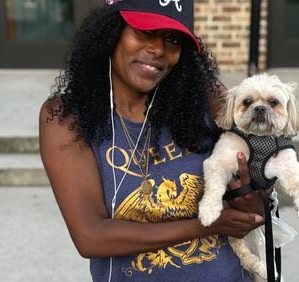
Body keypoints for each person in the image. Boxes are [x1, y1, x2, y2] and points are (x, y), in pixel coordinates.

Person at [39, 0, 266, 281]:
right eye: (144, 32)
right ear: (112, 32)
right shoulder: (66, 118)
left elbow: (258, 207)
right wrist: (208, 225)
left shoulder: (207, 100)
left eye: (172, 39)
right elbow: (91, 237)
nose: (158, 50)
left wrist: (252, 200)